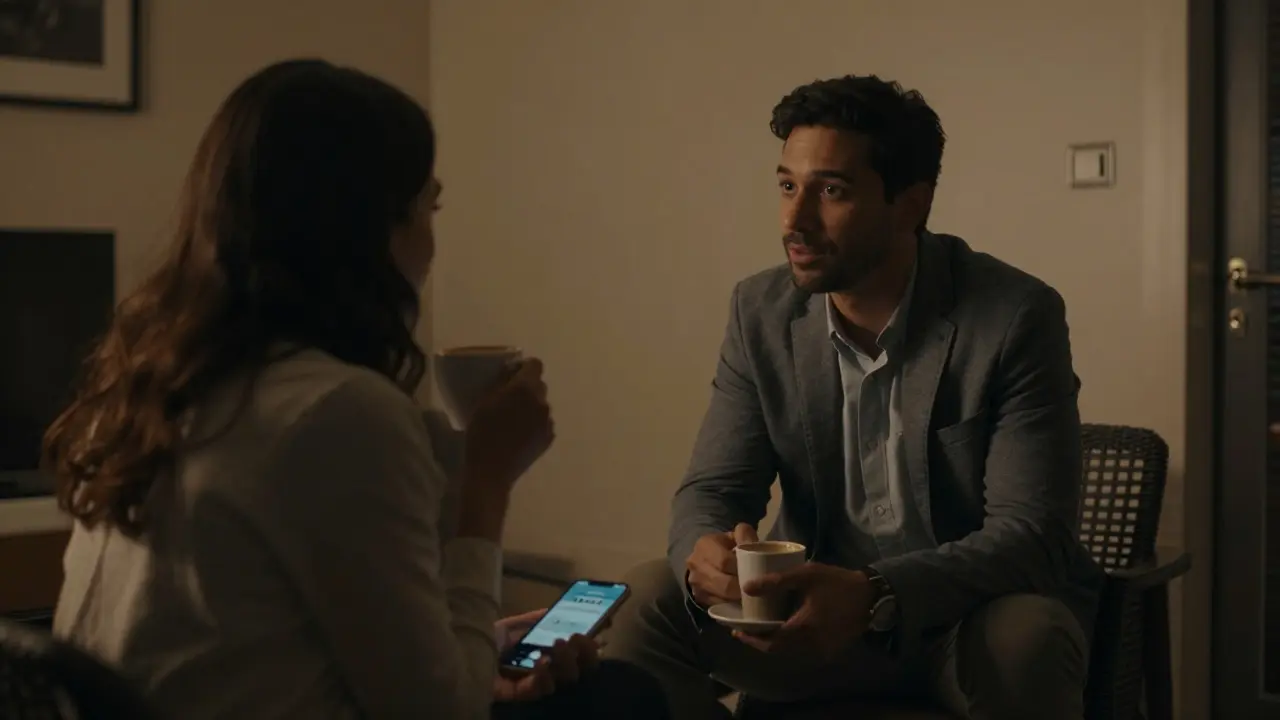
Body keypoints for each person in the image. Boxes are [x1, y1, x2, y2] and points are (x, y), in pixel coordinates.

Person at [44, 59, 668, 720]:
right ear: (368, 227)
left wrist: (480, 649)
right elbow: (441, 711)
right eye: (428, 207)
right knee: (623, 697)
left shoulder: (151, 388)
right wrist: (487, 481)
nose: (431, 245)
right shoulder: (337, 411)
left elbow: (254, 639)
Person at [603, 74, 1106, 720]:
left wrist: (874, 593)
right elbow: (713, 490)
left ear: (911, 205)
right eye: (787, 186)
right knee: (645, 597)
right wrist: (705, 557)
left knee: (1029, 636)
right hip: (806, 629)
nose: (795, 220)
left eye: (831, 191)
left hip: (959, 628)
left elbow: (1033, 535)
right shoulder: (760, 312)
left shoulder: (1013, 316)